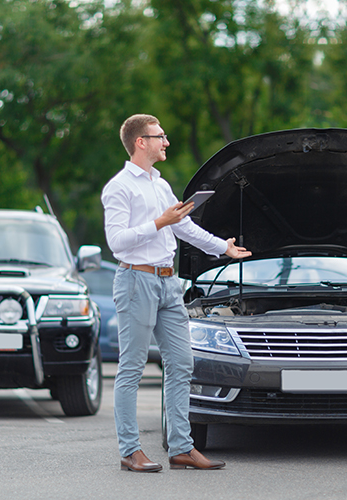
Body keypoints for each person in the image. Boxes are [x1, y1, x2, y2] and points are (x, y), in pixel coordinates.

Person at [102, 114, 251, 472]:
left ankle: (182, 448)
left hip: (170, 283)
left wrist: (222, 247)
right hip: (137, 280)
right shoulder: (119, 186)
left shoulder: (159, 183)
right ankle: (130, 450)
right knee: (132, 368)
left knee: (183, 364)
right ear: (141, 142)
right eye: (160, 136)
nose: (165, 142)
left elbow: (183, 226)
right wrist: (159, 223)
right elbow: (117, 242)